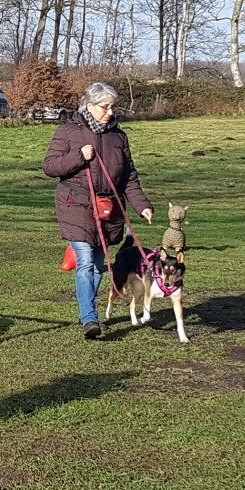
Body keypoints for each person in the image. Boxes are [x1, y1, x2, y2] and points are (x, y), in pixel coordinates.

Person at [42, 81, 153, 339]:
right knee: (86, 263)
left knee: (99, 265)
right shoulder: (69, 132)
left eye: (113, 107)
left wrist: (142, 206)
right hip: (76, 205)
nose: (110, 112)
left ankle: (89, 313)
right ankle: (89, 318)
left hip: (109, 210)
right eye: (105, 107)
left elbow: (129, 177)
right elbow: (50, 167)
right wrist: (79, 156)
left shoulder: (118, 136)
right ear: (89, 106)